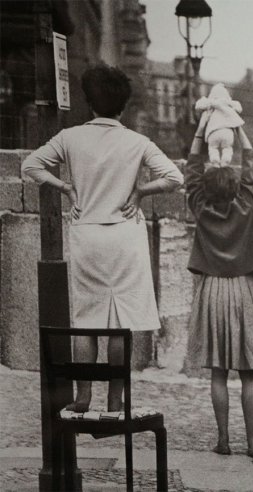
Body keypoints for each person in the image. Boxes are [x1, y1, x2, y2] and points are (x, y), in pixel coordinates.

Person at [22, 64, 184, 413]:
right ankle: (115, 397)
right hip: (125, 235)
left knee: (87, 319)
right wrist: (140, 191)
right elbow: (174, 177)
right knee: (119, 324)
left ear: (89, 102)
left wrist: (66, 188)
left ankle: (83, 396)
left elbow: (30, 166)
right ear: (123, 106)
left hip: (87, 234)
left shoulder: (70, 137)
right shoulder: (138, 142)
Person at [185, 118, 253, 458]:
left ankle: (223, 440)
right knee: (248, 374)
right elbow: (252, 168)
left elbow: (191, 172)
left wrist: (201, 129)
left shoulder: (200, 206)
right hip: (245, 289)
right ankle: (252, 442)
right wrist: (238, 128)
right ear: (237, 187)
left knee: (219, 373)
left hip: (212, 290)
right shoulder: (247, 205)